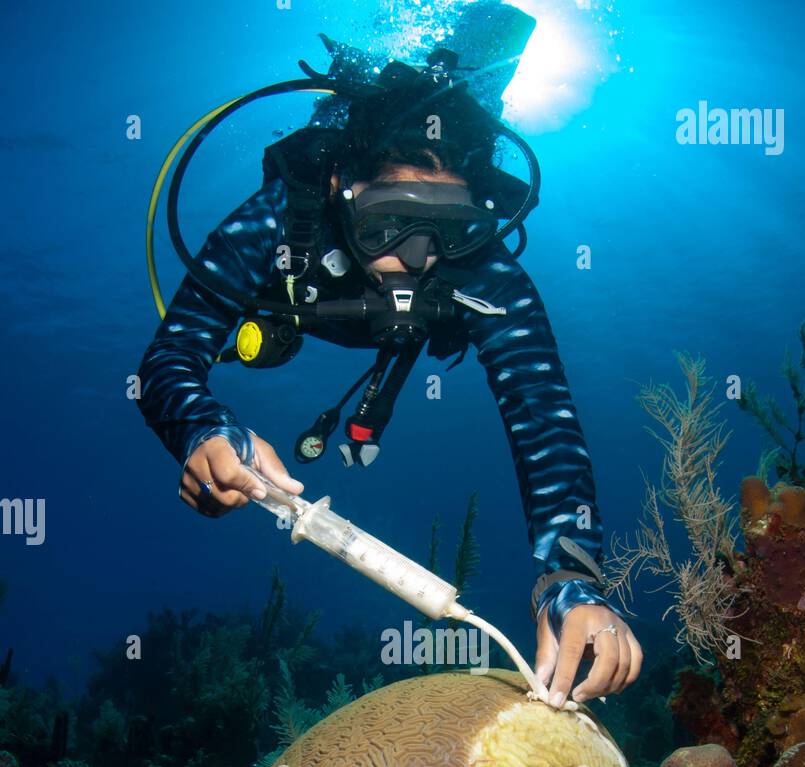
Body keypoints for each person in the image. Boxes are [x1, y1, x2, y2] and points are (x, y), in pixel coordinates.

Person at [137, 55, 643, 707]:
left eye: (448, 229)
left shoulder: (483, 270)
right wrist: (201, 428)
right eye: (389, 222)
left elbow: (545, 422)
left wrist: (570, 579)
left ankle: (469, 59)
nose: (418, 258)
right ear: (341, 188)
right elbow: (170, 357)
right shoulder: (279, 220)